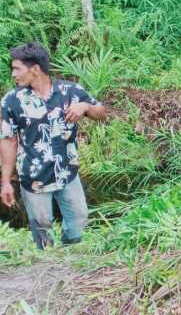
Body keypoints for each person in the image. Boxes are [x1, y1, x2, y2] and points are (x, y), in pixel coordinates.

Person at [0, 42, 107, 249]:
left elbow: (101, 113)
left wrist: (84, 106)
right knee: (42, 236)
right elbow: (8, 141)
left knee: (79, 225)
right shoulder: (12, 101)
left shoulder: (70, 91)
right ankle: (46, 270)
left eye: (17, 68)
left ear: (35, 69)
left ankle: (71, 265)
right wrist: (5, 182)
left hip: (67, 173)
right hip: (33, 179)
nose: (13, 74)